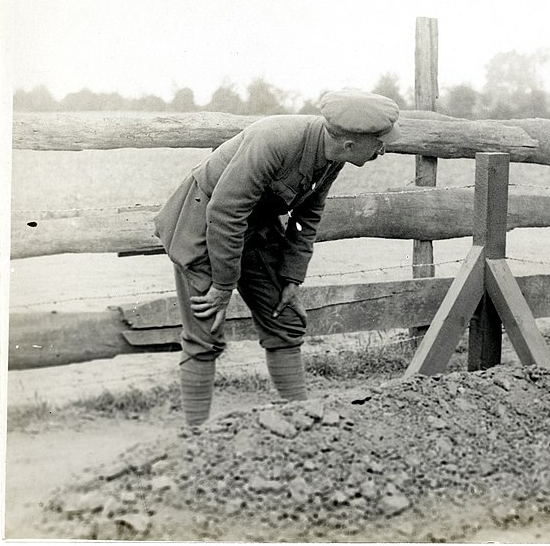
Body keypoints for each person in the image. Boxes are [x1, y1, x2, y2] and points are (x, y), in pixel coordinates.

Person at [154, 89, 401, 425]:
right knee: (204, 330)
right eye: (379, 142)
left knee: (284, 318)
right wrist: (223, 286)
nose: (383, 149)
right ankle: (196, 440)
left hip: (254, 228)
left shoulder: (333, 157)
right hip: (202, 226)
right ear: (349, 144)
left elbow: (308, 215)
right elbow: (225, 212)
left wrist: (291, 276)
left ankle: (301, 416)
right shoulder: (274, 139)